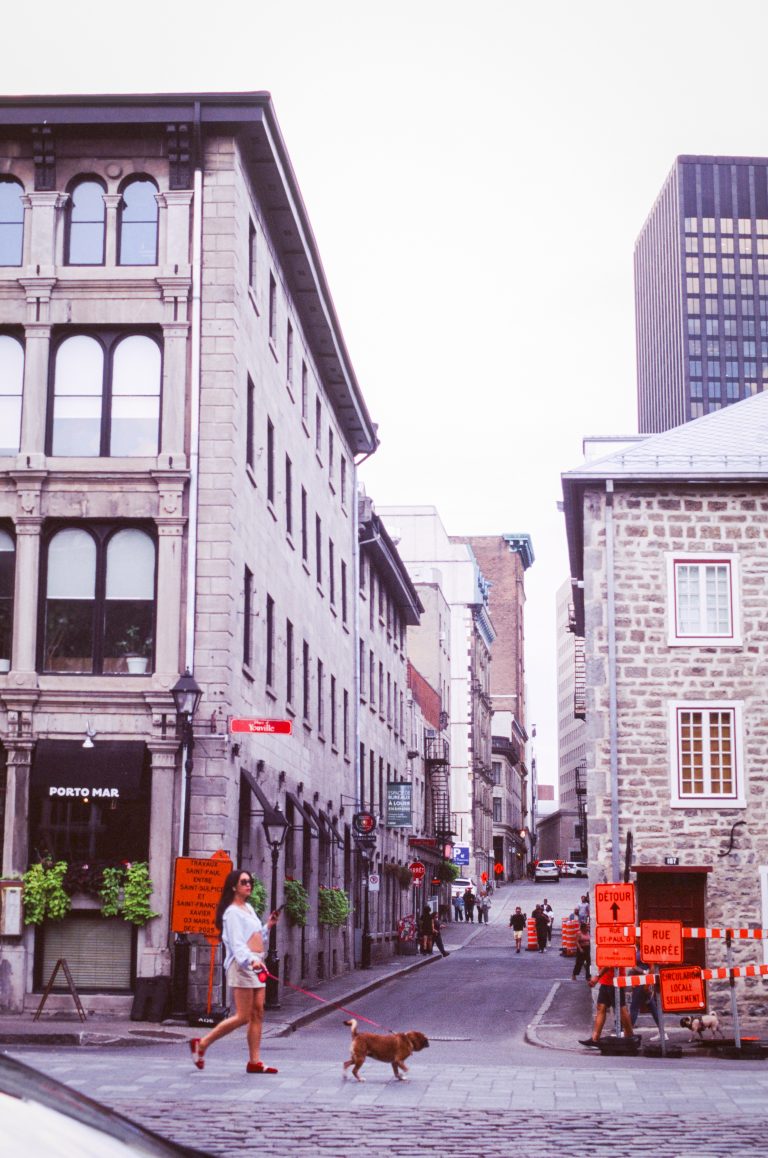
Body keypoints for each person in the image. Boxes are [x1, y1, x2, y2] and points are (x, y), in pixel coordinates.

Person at [189, 869, 281, 1074]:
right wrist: (251, 961)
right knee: (243, 1015)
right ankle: (201, 1044)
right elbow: (238, 944)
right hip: (243, 965)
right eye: (244, 882)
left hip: (257, 962)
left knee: (258, 1012)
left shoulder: (248, 907)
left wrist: (268, 925)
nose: (248, 885)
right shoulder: (231, 913)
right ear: (233, 887)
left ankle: (254, 1061)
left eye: (250, 881)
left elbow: (256, 936)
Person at [579, 966, 634, 1048]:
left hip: (615, 980)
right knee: (601, 1007)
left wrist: (597, 976)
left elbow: (610, 963)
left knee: (621, 1009)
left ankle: (630, 1036)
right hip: (605, 981)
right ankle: (595, 1039)